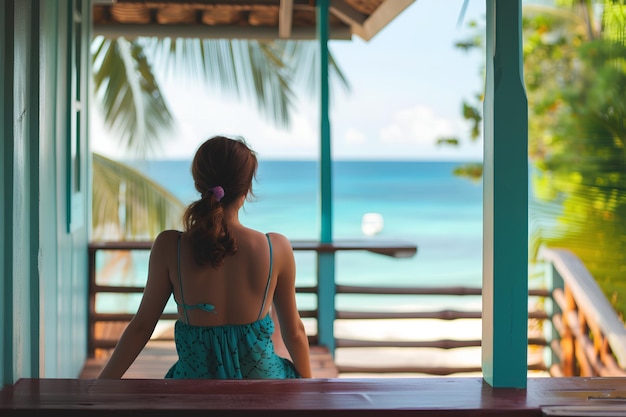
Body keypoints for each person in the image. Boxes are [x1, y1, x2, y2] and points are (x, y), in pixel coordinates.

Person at [98, 135, 312, 379]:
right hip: (263, 387)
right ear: (247, 189)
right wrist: (309, 389)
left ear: (200, 184)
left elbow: (141, 328)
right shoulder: (276, 248)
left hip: (192, 392)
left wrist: (102, 384)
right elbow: (294, 332)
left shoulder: (170, 247)